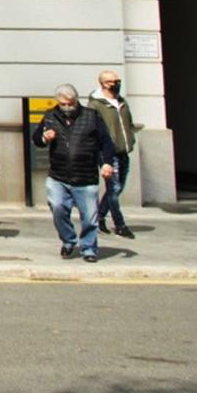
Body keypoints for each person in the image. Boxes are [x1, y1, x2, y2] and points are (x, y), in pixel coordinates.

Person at [32, 84, 115, 263]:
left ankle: (89, 248)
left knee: (89, 216)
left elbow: (106, 142)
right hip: (58, 175)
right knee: (58, 208)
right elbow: (37, 139)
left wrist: (107, 163)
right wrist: (44, 138)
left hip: (85, 176)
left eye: (70, 103)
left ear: (76, 101)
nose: (67, 107)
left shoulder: (91, 116)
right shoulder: (50, 117)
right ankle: (69, 240)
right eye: (63, 104)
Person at [88, 70, 137, 239]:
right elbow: (93, 131)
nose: (116, 83)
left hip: (123, 150)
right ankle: (120, 224)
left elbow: (129, 123)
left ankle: (100, 216)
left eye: (118, 80)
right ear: (103, 83)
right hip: (107, 153)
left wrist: (130, 140)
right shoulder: (95, 105)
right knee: (113, 188)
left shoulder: (122, 102)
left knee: (118, 188)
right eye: (112, 81)